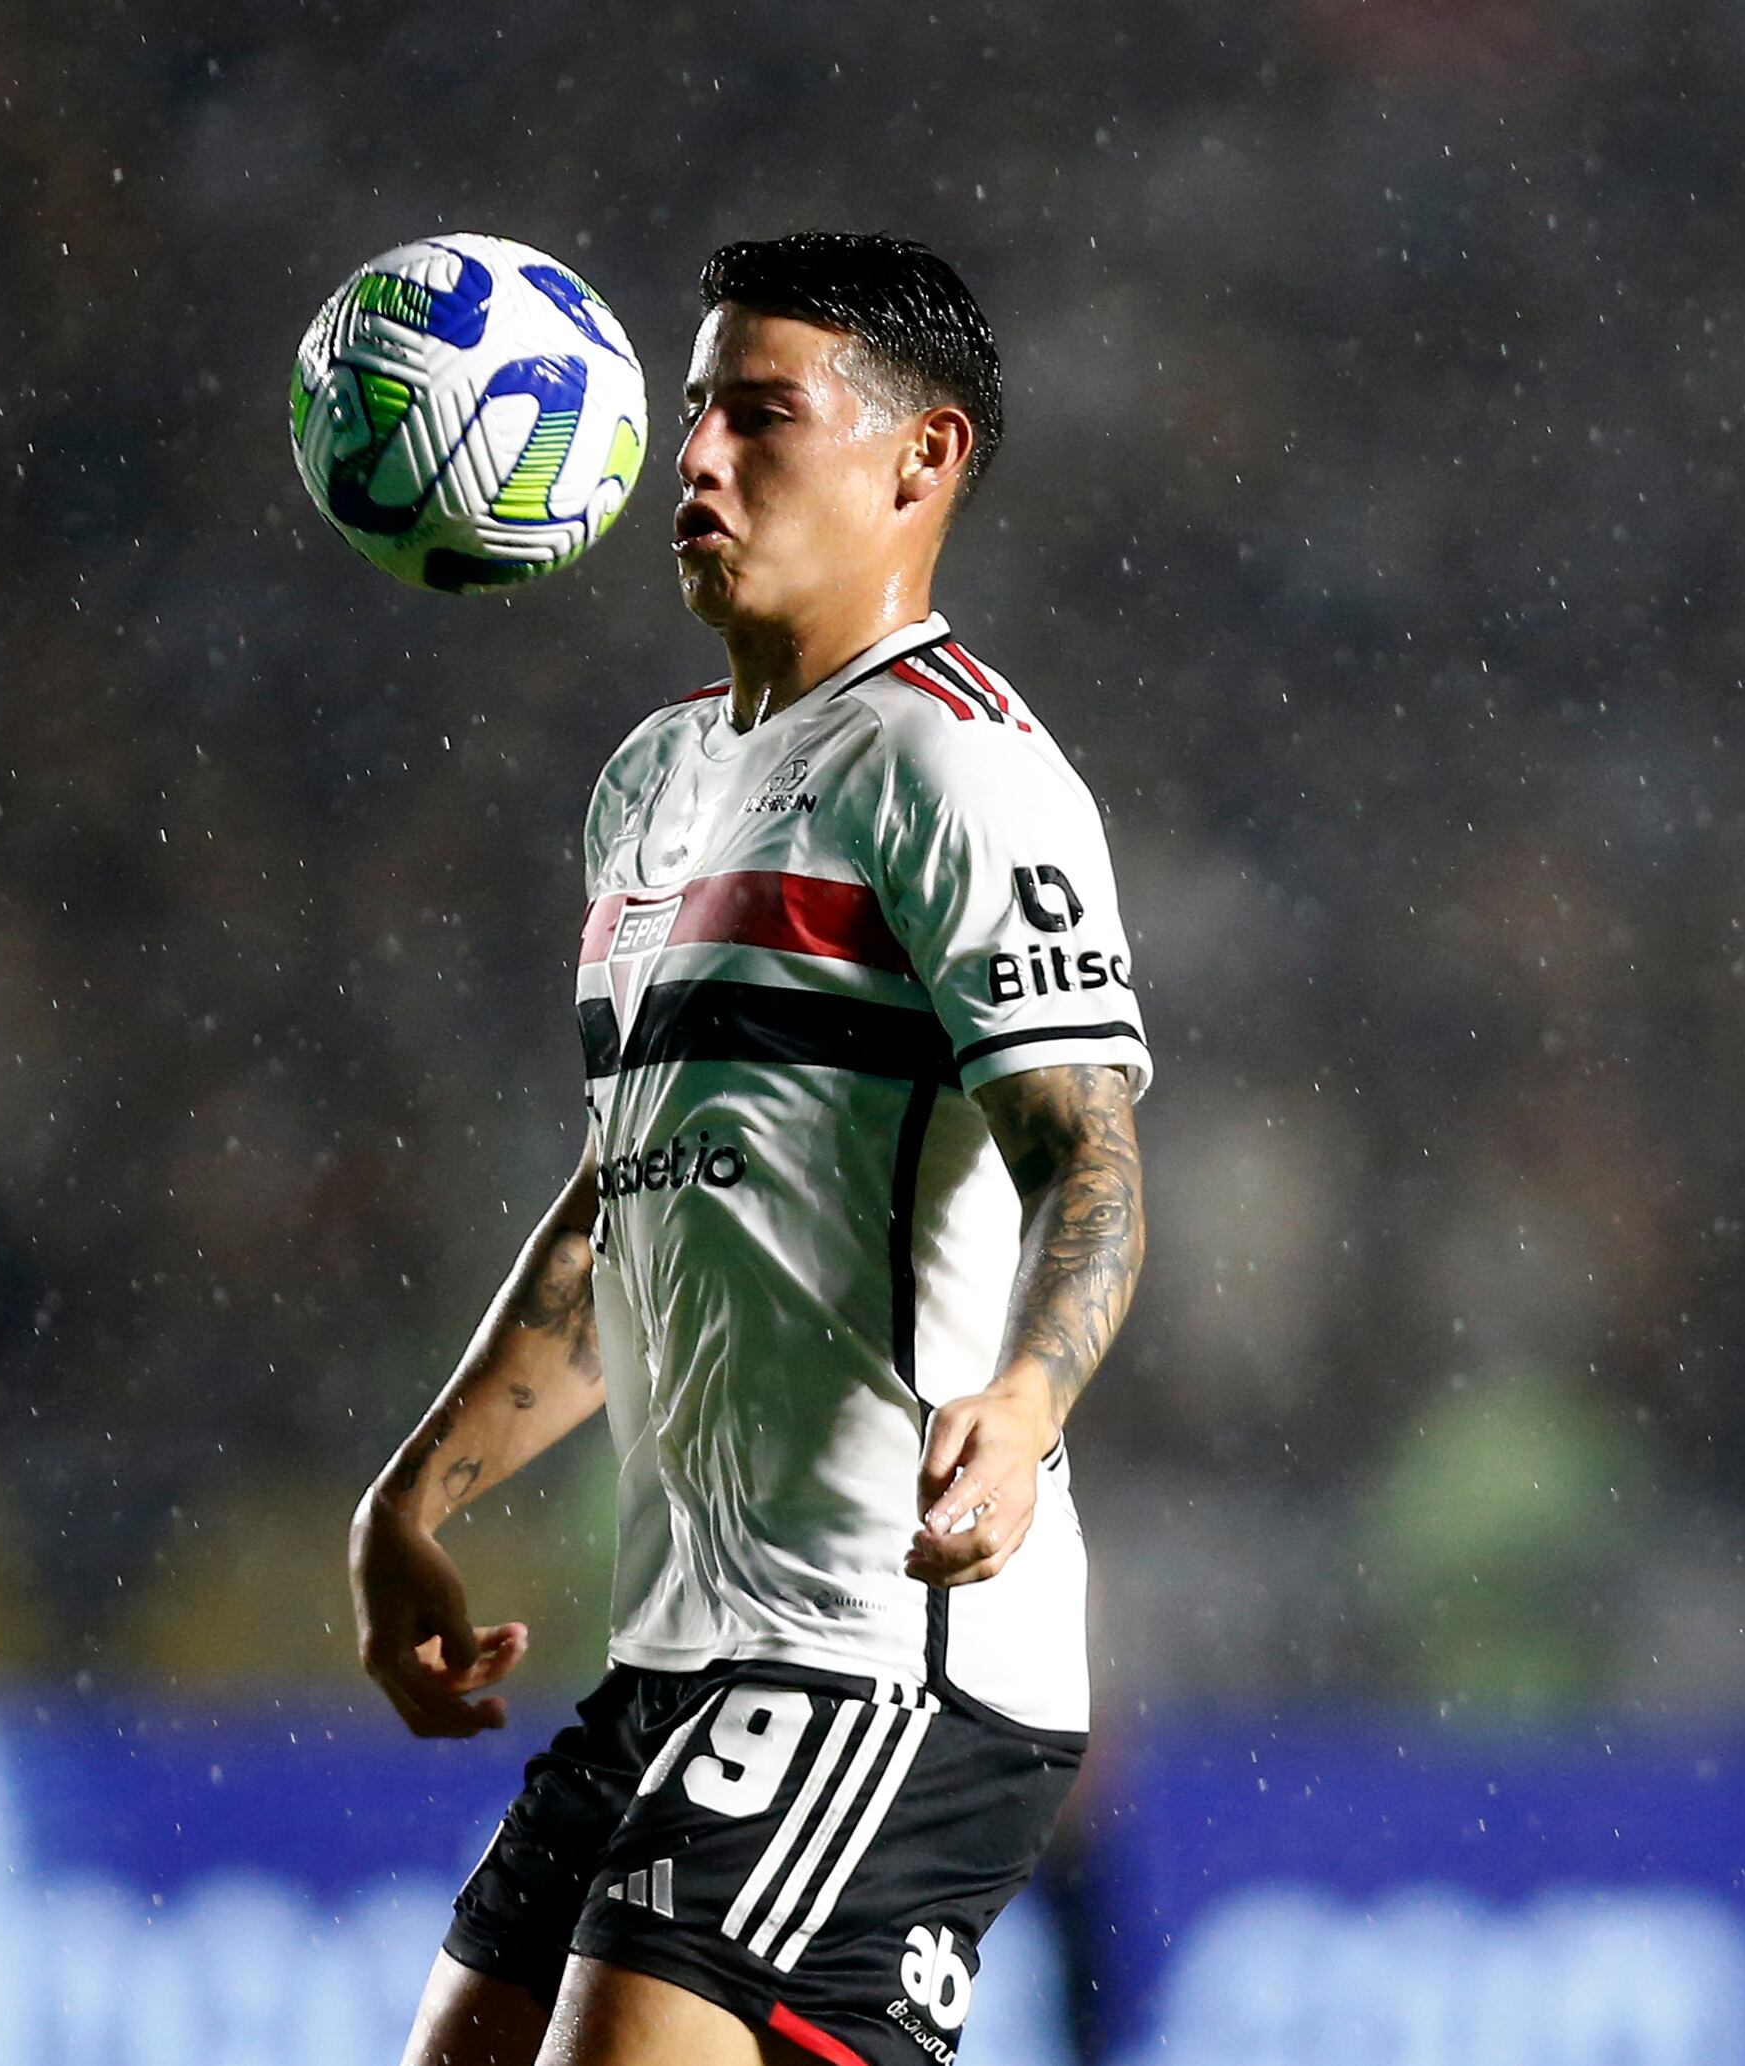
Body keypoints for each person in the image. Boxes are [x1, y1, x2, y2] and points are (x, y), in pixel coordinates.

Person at [349, 232, 1150, 2066]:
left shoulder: (962, 775)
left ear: (919, 459)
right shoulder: (653, 781)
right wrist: (420, 1492)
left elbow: (1087, 1155)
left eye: (758, 414)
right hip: (687, 1647)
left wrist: (1026, 1402)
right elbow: (631, 1192)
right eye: (696, 407)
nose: (693, 457)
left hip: (891, 1654)